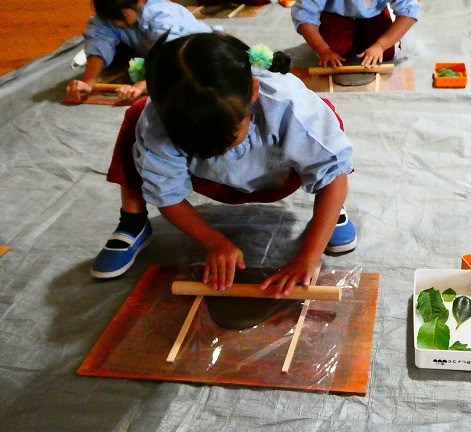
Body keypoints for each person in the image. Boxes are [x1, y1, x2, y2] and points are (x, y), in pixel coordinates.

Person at [91, 33, 357, 298]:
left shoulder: (289, 105)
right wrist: (214, 242)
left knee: (324, 123)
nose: (219, 151)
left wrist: (308, 258)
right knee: (135, 118)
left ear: (254, 91)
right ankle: (133, 220)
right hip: (212, 181)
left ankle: (331, 211)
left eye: (230, 135)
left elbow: (335, 175)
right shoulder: (158, 122)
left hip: (278, 176)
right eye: (197, 144)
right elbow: (167, 195)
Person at [66, 0, 213, 103]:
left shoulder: (161, 17)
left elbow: (174, 58)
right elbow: (99, 40)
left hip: (195, 53)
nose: (117, 23)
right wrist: (88, 82)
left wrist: (144, 85)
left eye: (120, 17)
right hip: (153, 53)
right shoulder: (111, 12)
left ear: (141, 1)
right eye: (111, 18)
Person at [291, 0, 421, 67]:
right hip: (335, 14)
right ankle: (355, 39)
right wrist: (323, 49)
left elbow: (409, 10)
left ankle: (361, 38)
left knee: (388, 51)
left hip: (373, 13)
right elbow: (304, 13)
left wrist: (381, 45)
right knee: (334, 53)